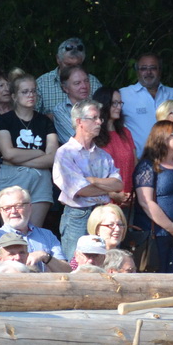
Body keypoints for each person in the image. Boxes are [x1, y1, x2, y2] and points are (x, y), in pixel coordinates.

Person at [54, 101, 123, 257]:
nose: (99, 122)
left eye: (100, 118)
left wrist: (92, 180)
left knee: (107, 262)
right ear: (79, 122)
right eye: (94, 118)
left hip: (103, 215)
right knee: (76, 263)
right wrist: (106, 187)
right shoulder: (65, 153)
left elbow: (118, 185)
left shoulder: (103, 155)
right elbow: (80, 190)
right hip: (78, 215)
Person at [0, 72, 60, 232]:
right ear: (14, 96)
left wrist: (17, 158)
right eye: (25, 91)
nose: (31, 95)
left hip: (40, 178)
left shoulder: (45, 121)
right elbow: (8, 153)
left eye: (33, 90)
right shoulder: (4, 120)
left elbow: (52, 158)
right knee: (11, 232)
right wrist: (38, 152)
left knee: (34, 232)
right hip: (12, 176)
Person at [133, 122, 173, 273]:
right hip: (157, 235)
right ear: (161, 138)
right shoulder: (147, 166)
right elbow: (145, 202)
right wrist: (171, 227)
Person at [0, 187, 63, 270]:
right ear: (1, 212)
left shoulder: (47, 235)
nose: (13, 211)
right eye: (7, 208)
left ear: (30, 207)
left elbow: (66, 271)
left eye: (19, 206)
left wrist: (45, 256)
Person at [118, 54, 173, 152]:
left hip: (172, 160)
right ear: (137, 72)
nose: (148, 72)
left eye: (153, 68)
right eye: (143, 68)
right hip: (139, 162)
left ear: (160, 70)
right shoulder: (123, 95)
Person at [90, 84, 138, 201]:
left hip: (129, 197)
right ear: (103, 105)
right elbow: (89, 174)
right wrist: (112, 194)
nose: (119, 107)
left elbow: (135, 164)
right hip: (102, 202)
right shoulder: (93, 134)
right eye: (114, 103)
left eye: (120, 103)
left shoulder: (125, 132)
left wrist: (134, 191)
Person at [36, 39, 100, 120]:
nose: (72, 70)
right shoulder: (42, 83)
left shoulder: (93, 82)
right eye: (68, 65)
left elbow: (103, 113)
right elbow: (30, 117)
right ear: (58, 59)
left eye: (77, 65)